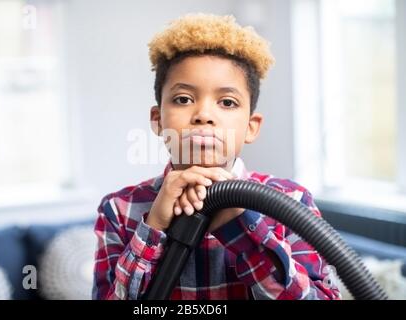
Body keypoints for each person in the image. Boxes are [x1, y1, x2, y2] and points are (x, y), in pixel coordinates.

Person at [92, 13, 341, 300]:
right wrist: (154, 226)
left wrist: (241, 226)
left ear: (251, 126)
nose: (204, 115)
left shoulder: (293, 203)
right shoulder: (119, 210)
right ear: (158, 120)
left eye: (227, 102)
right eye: (184, 99)